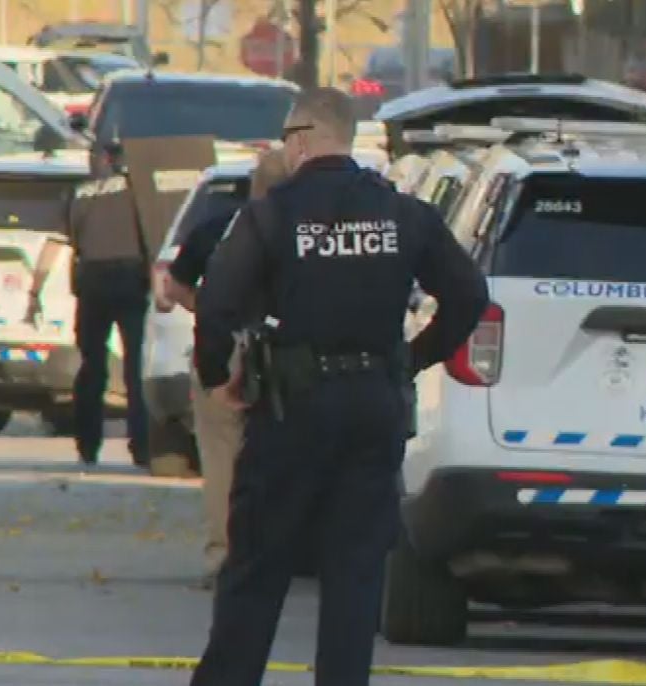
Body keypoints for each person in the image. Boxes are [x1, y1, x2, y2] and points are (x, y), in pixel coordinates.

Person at [189, 87, 489, 686]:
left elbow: (217, 303)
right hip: (373, 407)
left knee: (257, 566)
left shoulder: (271, 214)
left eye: (285, 139)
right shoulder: (403, 213)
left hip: (292, 408)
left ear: (302, 140)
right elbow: (469, 294)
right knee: (355, 575)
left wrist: (218, 376)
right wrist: (414, 358)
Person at [155, 146, 290, 587]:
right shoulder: (307, 231)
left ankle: (225, 555)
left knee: (221, 460)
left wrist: (207, 309)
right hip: (290, 351)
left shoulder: (218, 227)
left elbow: (174, 285)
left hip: (224, 347)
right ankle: (280, 554)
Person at [26, 141, 149, 467]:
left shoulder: (77, 193)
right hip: (132, 278)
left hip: (92, 282)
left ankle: (88, 444)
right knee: (136, 365)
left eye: (92, 157)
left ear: (104, 159)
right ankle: (142, 444)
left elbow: (54, 245)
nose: (89, 162)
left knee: (91, 366)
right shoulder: (138, 189)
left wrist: (35, 292)